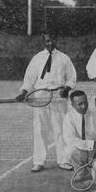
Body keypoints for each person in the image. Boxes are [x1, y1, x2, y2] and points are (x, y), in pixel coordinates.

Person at [16, 31, 76, 173]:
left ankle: (64, 160)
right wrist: (23, 92)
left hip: (58, 96)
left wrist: (66, 89)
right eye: (47, 41)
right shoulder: (37, 58)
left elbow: (72, 78)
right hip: (40, 96)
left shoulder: (64, 58)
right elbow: (29, 78)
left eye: (52, 40)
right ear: (43, 41)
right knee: (40, 130)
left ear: (56, 40)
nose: (50, 43)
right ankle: (38, 161)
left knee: (61, 129)